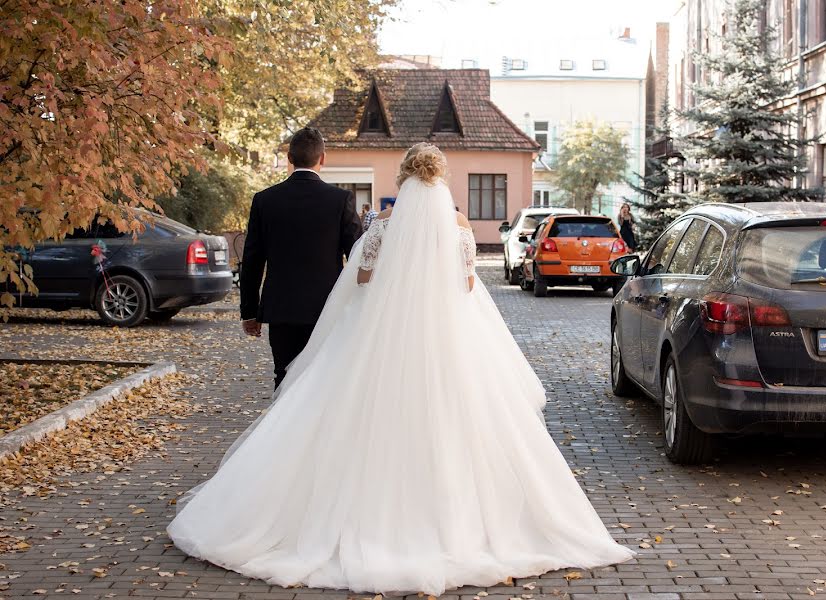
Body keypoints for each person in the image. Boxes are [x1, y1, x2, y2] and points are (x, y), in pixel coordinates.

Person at [168, 143, 634, 595]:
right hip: (447, 336)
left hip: (382, 333)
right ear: (441, 178)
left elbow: (364, 275)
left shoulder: (384, 224)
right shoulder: (459, 225)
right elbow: (467, 282)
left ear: (405, 177)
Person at [238, 127, 362, 389]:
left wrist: (249, 311)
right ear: (323, 159)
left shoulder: (265, 200)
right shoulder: (340, 200)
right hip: (327, 308)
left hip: (281, 309)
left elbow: (252, 260)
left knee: (283, 376)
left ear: (289, 158)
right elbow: (357, 255)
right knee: (323, 379)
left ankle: (280, 429)